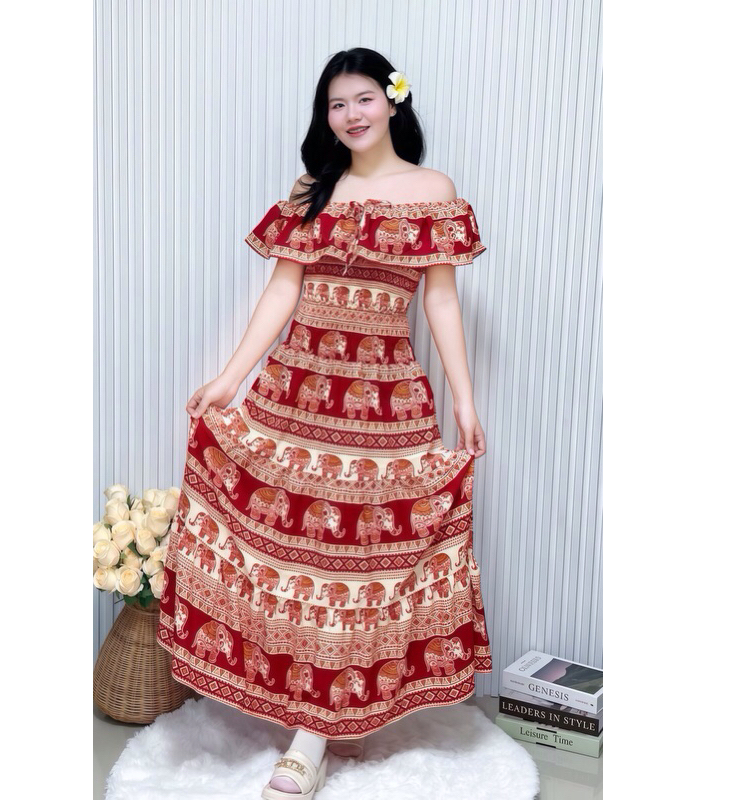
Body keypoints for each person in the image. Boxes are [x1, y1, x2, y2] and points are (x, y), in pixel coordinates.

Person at [156, 47, 492, 799]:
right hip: (296, 392)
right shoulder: (314, 189)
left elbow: (440, 300)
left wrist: (465, 402)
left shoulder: (432, 190)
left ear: (393, 101)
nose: (351, 115)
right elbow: (282, 291)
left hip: (385, 398)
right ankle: (306, 722)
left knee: (359, 565)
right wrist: (229, 379)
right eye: (337, 105)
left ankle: (318, 733)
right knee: (297, 557)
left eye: (364, 98)